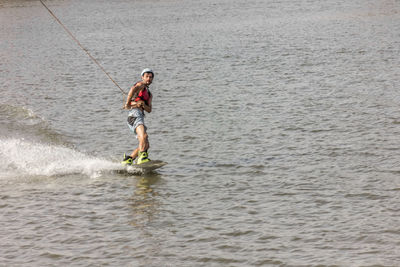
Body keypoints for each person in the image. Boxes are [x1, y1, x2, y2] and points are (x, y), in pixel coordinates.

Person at [121, 68, 154, 165]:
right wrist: (128, 103)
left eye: (151, 77)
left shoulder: (149, 94)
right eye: (147, 76)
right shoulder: (141, 85)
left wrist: (143, 105)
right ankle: (142, 158)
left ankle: (129, 159)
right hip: (134, 114)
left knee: (146, 144)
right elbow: (132, 89)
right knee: (143, 136)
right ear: (142, 77)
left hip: (140, 116)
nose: (148, 79)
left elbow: (149, 110)